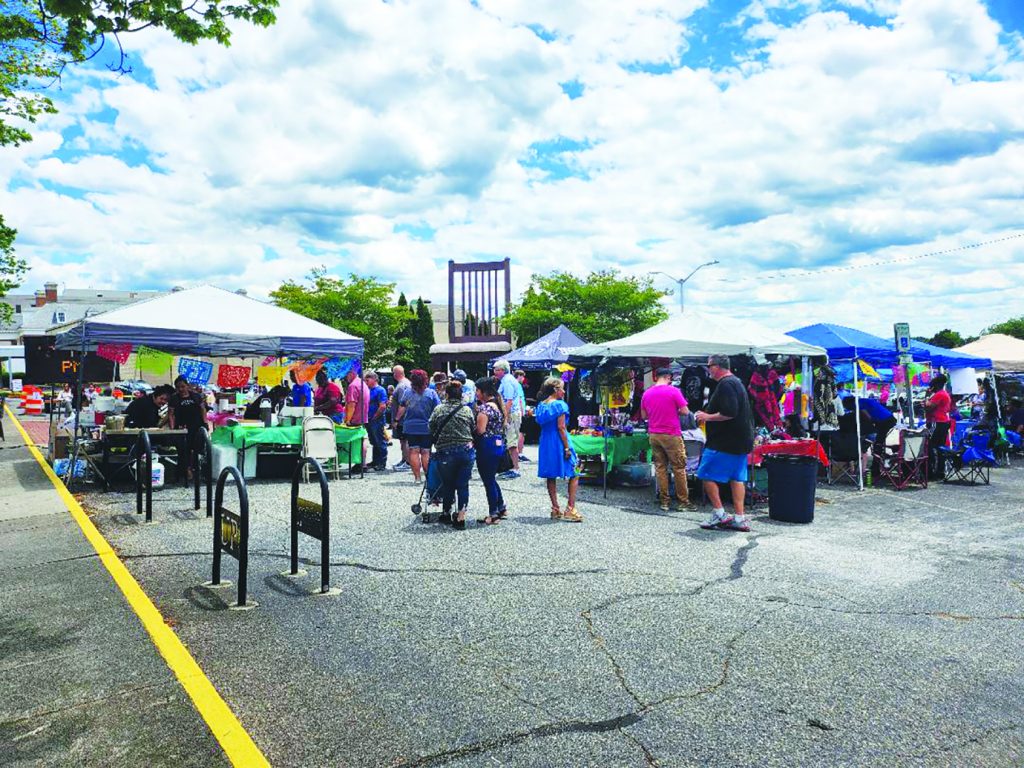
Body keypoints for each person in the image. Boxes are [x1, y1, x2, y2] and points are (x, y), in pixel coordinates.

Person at [695, 355, 754, 532]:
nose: (708, 370)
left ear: (717, 367)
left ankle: (720, 514)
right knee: (737, 478)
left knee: (705, 473)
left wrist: (707, 416)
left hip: (724, 441)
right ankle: (739, 517)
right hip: (740, 440)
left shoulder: (726, 384)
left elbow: (730, 412)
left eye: (709, 366)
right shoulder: (736, 382)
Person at [641, 367, 693, 512]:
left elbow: (644, 416)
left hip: (654, 434)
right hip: (671, 434)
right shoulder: (674, 391)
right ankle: (683, 502)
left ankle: (664, 501)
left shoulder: (646, 393)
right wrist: (672, 411)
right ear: (669, 377)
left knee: (660, 468)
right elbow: (685, 411)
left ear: (656, 377)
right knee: (678, 468)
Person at [428, 381, 476, 529]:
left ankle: (446, 512)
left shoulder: (439, 409)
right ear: (461, 395)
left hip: (445, 451)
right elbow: (472, 427)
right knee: (463, 484)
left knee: (448, 484)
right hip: (465, 451)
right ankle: (461, 517)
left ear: (446, 394)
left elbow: (431, 426)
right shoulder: (466, 410)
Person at [535, 377, 582, 522]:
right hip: (559, 441)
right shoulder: (560, 405)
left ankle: (555, 508)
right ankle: (570, 508)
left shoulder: (541, 405)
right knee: (575, 472)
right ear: (555, 390)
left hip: (546, 442)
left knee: (551, 476)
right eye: (561, 388)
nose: (563, 391)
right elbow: (561, 427)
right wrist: (567, 447)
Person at [474, 376, 508, 524]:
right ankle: (501, 507)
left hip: (486, 446)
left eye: (477, 390)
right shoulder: (497, 406)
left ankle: (493, 513)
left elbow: (480, 430)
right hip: (497, 444)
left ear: (483, 391)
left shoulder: (485, 408)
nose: (476, 393)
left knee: (488, 481)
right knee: (491, 479)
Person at [396, 369, 440, 483]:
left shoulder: (407, 393)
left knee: (413, 451)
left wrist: (396, 420)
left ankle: (417, 478)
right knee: (426, 452)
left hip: (410, 427)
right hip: (427, 427)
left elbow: (402, 407)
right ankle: (428, 478)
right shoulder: (431, 393)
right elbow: (438, 409)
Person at [168, 376, 208, 480]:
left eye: (183, 386)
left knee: (197, 448)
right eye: (178, 387)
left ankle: (196, 468)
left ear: (187, 386)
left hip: (196, 425)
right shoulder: (174, 398)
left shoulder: (196, 396)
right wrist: (172, 430)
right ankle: (187, 470)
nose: (181, 389)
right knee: (184, 450)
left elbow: (202, 409)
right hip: (182, 427)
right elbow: (171, 414)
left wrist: (205, 423)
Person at [494, 360, 524, 479]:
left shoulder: (507, 382)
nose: (494, 372)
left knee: (512, 441)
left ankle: (515, 468)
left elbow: (509, 401)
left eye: (496, 369)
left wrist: (504, 417)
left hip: (511, 414)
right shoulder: (508, 380)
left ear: (502, 370)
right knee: (511, 440)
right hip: (513, 413)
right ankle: (512, 466)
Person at [923, 373, 952, 480]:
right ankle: (940, 471)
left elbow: (928, 407)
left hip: (938, 422)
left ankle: (931, 472)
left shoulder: (940, 394)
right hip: (943, 422)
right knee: (940, 447)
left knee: (930, 446)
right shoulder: (943, 394)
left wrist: (926, 397)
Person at [364, 372, 389, 471]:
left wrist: (375, 416)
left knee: (380, 441)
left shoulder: (380, 390)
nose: (366, 382)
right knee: (374, 441)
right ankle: (375, 461)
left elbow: (382, 406)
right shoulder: (367, 390)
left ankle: (382, 462)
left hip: (376, 420)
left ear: (374, 379)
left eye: (368, 380)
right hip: (368, 419)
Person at [391, 365, 412, 471]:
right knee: (402, 441)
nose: (393, 375)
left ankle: (408, 462)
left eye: (394, 372)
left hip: (403, 420)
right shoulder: (402, 384)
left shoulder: (403, 385)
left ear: (397, 373)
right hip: (402, 419)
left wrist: (396, 419)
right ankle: (404, 460)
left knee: (405, 440)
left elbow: (403, 404)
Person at [514, 369, 530, 461]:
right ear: (519, 376)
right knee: (521, 432)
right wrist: (523, 411)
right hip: (520, 411)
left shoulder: (515, 384)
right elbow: (520, 399)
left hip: (517, 411)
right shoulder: (518, 385)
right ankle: (520, 452)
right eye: (522, 376)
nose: (523, 378)